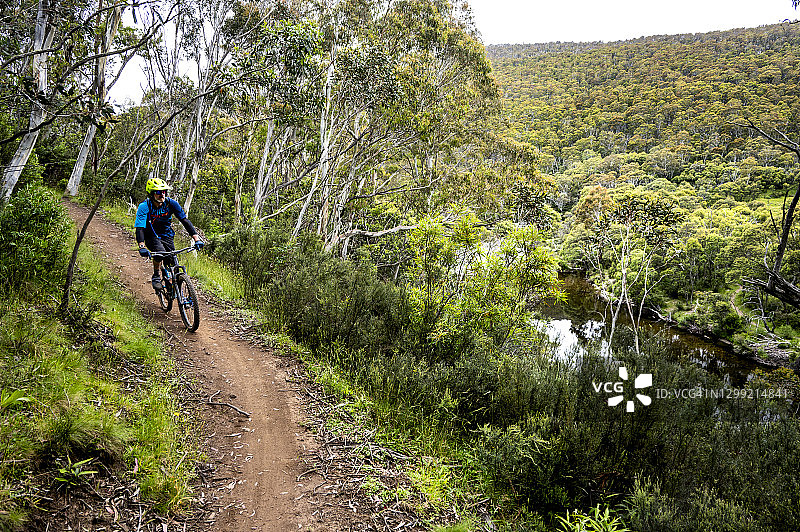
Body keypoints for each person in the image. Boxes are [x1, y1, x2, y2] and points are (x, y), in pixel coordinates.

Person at [135, 177, 204, 291]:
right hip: (151, 235)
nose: (162, 195)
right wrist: (141, 246)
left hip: (167, 234)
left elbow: (184, 221)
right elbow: (140, 228)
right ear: (151, 194)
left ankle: (173, 284)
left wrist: (196, 239)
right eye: (158, 192)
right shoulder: (144, 206)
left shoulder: (171, 204)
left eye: (164, 192)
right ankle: (156, 275)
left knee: (172, 260)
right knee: (160, 253)